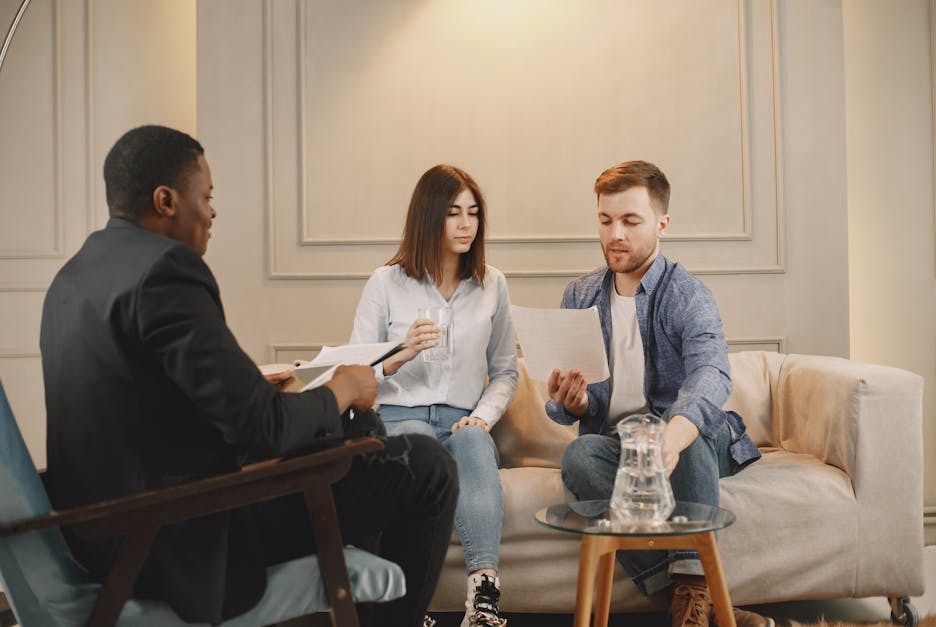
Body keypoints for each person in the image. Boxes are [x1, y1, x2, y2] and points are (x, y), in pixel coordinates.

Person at [39, 125, 457, 627]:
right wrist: (344, 386)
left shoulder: (77, 274)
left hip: (103, 530)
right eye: (206, 196)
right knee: (427, 465)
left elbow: (143, 407)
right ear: (166, 200)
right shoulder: (166, 271)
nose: (212, 212)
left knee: (360, 434)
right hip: (172, 538)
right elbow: (265, 431)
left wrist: (265, 394)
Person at [545, 161, 772, 627]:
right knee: (580, 457)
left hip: (690, 443)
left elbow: (711, 374)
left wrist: (672, 435)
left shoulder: (687, 295)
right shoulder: (581, 294)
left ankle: (693, 592)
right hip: (622, 447)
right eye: (606, 221)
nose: (615, 235)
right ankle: (687, 595)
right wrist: (575, 403)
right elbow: (570, 404)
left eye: (631, 221)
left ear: (662, 224)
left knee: (685, 435)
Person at [350, 164, 518, 627]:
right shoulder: (385, 283)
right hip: (401, 415)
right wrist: (399, 355)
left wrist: (482, 416)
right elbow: (355, 373)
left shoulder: (492, 285)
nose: (467, 224)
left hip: (463, 415)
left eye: (473, 212)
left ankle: (483, 600)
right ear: (429, 218)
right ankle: (408, 609)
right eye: (453, 213)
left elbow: (505, 371)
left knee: (471, 441)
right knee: (419, 439)